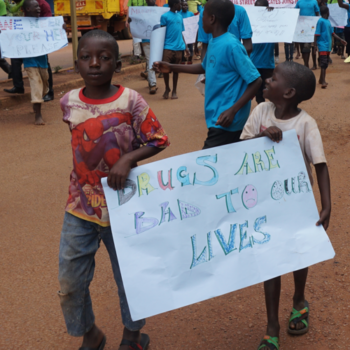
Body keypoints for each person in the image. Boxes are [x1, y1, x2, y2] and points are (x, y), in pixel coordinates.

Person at [58, 29, 169, 350]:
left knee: (131, 277)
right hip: (80, 208)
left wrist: (128, 159)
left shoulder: (131, 101)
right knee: (70, 282)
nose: (94, 64)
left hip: (126, 208)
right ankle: (90, 333)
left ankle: (133, 335)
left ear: (117, 64)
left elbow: (158, 139)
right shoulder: (68, 102)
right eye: (86, 57)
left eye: (104, 58)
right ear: (76, 64)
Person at [240, 61, 331, 350]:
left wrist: (326, 205)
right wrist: (260, 137)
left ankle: (299, 299)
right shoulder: (260, 112)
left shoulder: (305, 124)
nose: (267, 79)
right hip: (265, 202)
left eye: (274, 78)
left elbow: (320, 164)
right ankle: (272, 325)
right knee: (270, 261)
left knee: (297, 254)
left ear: (289, 92)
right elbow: (241, 148)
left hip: (297, 202)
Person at [154, 0, 261, 149]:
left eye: (202, 15)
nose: (200, 20)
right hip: (217, 115)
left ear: (212, 19)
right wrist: (171, 67)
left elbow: (256, 80)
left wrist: (233, 110)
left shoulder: (231, 45)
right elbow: (204, 67)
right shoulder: (214, 42)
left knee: (207, 159)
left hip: (226, 118)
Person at [20, 0, 49, 125]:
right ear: (27, 9)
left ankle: (36, 101)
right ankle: (38, 115)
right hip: (30, 59)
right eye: (35, 6)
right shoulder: (20, 24)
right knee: (36, 84)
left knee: (44, 84)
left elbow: (54, 32)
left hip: (42, 59)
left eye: (38, 6)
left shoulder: (43, 23)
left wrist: (61, 28)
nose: (38, 8)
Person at [160, 0, 188, 99]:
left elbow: (181, 32)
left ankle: (174, 90)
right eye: (179, 4)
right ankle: (167, 88)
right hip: (168, 47)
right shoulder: (165, 17)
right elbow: (161, 33)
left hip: (179, 47)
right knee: (165, 69)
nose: (180, 5)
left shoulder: (180, 17)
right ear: (174, 4)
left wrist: (186, 47)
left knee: (176, 70)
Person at [314, 6, 347, 88]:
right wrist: (315, 46)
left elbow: (332, 33)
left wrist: (340, 40)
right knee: (323, 63)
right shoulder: (320, 21)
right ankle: (323, 81)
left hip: (328, 45)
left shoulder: (328, 22)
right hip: (322, 45)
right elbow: (316, 34)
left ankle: (321, 79)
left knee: (326, 62)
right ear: (328, 12)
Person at [250, 0, 274, 104]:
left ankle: (272, 109)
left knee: (271, 88)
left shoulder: (273, 23)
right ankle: (262, 110)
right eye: (256, 9)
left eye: (261, 9)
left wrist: (272, 13)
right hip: (254, 64)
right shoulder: (251, 23)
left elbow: (282, 21)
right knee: (258, 92)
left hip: (268, 64)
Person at [295, 0, 320, 69]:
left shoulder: (314, 2)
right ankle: (306, 64)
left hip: (312, 27)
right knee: (303, 46)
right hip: (302, 28)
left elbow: (317, 13)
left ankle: (313, 64)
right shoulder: (299, 2)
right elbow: (295, 13)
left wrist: (318, 25)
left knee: (312, 46)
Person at [140, 0, 158, 94]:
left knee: (155, 61)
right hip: (146, 41)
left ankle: (151, 80)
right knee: (150, 61)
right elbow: (137, 26)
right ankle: (153, 84)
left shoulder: (159, 11)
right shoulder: (140, 12)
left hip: (157, 40)